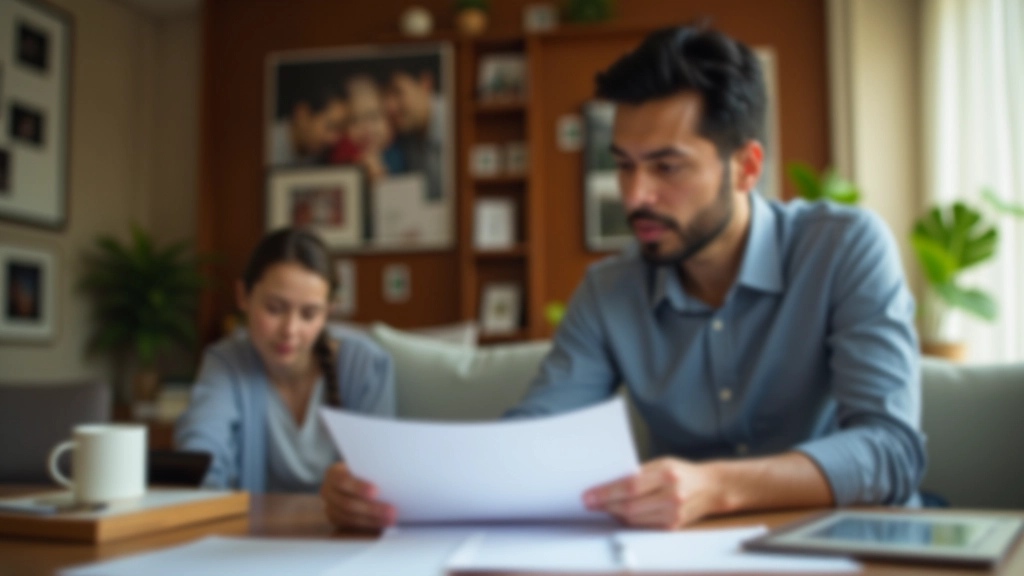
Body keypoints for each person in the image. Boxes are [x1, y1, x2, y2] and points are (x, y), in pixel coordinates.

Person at [321, 24, 925, 531]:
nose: (636, 196)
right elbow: (534, 440)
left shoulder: (843, 248)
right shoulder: (609, 292)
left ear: (746, 167)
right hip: (684, 554)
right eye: (625, 166)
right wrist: (391, 489)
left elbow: (891, 451)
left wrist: (718, 487)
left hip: (844, 540)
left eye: (667, 167)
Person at [175, 228, 395, 496]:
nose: (290, 329)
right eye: (274, 309)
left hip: (345, 536)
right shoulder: (227, 363)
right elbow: (201, 460)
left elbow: (379, 483)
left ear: (328, 312)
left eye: (309, 314)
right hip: (249, 535)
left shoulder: (366, 366)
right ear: (243, 296)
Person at [383, 68, 445, 201]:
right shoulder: (406, 139)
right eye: (385, 98)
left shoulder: (461, 125)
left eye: (397, 93)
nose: (390, 107)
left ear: (425, 84)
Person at [330, 75, 407, 182]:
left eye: (373, 116)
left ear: (389, 121)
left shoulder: (402, 155)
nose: (366, 128)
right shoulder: (340, 159)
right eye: (355, 120)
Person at [269, 87, 349, 166]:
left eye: (341, 129)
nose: (334, 139)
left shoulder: (316, 155)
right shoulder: (265, 147)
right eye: (330, 126)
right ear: (302, 114)